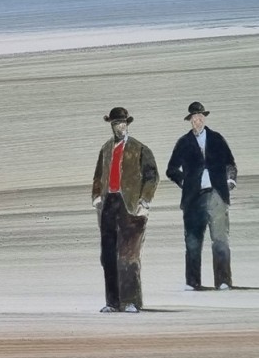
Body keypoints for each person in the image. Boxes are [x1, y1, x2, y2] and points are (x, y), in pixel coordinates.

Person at [92, 107, 159, 313]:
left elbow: (152, 176)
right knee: (108, 255)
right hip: (109, 204)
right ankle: (112, 302)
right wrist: (96, 196)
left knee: (129, 255)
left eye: (122, 123)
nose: (119, 127)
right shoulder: (105, 149)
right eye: (115, 123)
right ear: (111, 126)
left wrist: (145, 201)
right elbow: (98, 176)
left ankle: (131, 302)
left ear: (127, 124)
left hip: (130, 205)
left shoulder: (139, 148)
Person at [166, 101, 237, 291]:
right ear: (189, 121)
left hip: (217, 194)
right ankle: (193, 282)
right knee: (192, 240)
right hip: (193, 198)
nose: (197, 121)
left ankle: (223, 280)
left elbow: (230, 163)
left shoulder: (217, 139)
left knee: (220, 239)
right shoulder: (183, 142)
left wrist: (230, 181)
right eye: (194, 118)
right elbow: (171, 169)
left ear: (204, 118)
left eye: (200, 117)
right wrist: (185, 182)